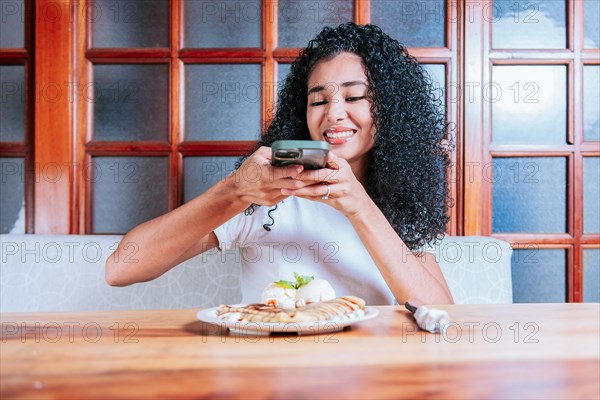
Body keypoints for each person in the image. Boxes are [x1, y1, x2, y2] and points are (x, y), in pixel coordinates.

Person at [106, 23, 454, 305]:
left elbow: (441, 316)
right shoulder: (267, 195)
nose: (333, 113)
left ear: (390, 109)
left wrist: (361, 208)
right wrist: (234, 190)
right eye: (318, 100)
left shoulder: (403, 206)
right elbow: (121, 268)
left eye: (353, 97)